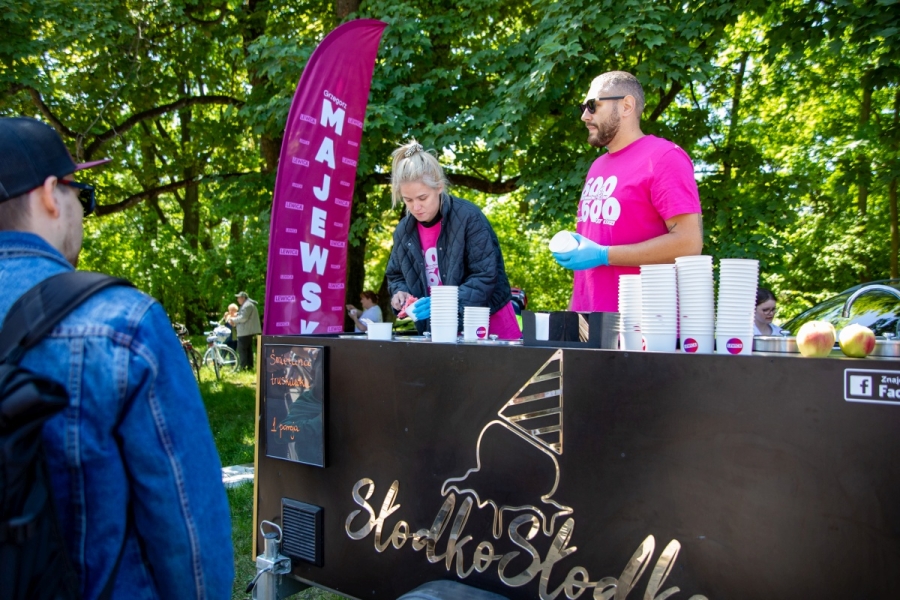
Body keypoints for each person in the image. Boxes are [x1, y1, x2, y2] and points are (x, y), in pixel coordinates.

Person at [0, 117, 233, 598]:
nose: (82, 212)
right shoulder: (121, 325)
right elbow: (190, 541)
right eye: (82, 195)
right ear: (50, 195)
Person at [552, 71, 703, 312]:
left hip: (643, 323)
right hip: (588, 319)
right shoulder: (597, 166)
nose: (584, 116)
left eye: (592, 105)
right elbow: (587, 270)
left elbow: (689, 243)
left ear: (626, 106)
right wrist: (573, 314)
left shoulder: (665, 157)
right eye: (583, 107)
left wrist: (604, 255)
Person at [385, 140, 521, 339]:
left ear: (439, 187)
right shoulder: (403, 231)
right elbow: (396, 275)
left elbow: (485, 275)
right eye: (408, 200)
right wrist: (401, 293)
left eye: (422, 198)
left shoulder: (468, 217)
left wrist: (442, 304)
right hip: (438, 329)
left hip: (488, 323)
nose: (416, 207)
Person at [230, 291, 261, 370]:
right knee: (248, 349)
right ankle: (249, 366)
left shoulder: (247, 305)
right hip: (247, 331)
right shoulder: (247, 305)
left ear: (243, 298)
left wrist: (233, 319)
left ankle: (243, 367)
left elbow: (243, 318)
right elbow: (243, 316)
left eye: (239, 298)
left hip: (245, 331)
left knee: (242, 349)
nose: (237, 300)